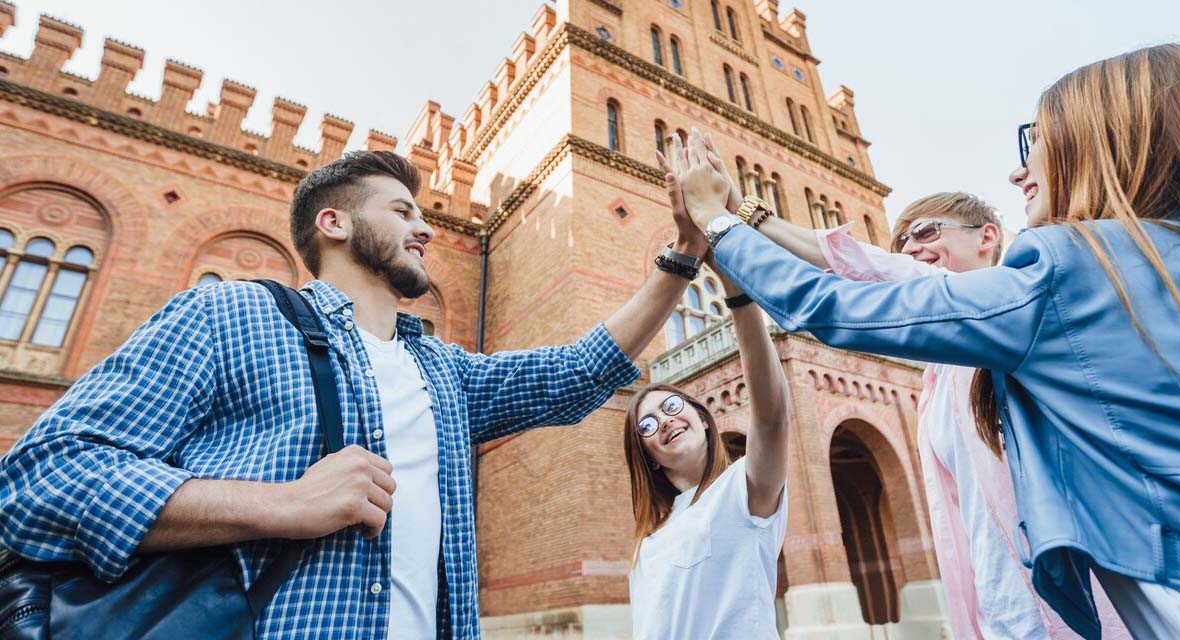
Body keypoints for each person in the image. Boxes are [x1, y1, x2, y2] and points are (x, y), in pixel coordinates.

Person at [674, 43, 1180, 640]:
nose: (1019, 171)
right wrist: (752, 214)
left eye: (1035, 142)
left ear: (1110, 143)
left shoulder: (1071, 267)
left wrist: (719, 220)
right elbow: (883, 270)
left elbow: (833, 303)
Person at [0, 150, 709, 639]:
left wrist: (682, 253)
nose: (425, 227)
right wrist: (279, 505)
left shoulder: (445, 372)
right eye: (401, 211)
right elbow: (41, 480)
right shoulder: (230, 314)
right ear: (333, 224)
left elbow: (579, 370)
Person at [622, 142, 790, 640]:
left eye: (672, 406)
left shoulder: (743, 491)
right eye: (647, 425)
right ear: (648, 455)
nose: (665, 419)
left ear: (702, 416)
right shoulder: (649, 540)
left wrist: (736, 290)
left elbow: (771, 418)